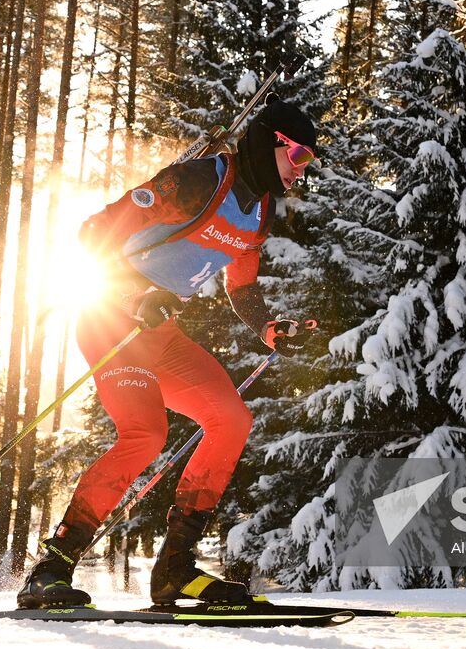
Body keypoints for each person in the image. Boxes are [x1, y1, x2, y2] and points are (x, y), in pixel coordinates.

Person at [18, 99, 320, 609]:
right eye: (301, 156)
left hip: (161, 332)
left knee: (231, 419)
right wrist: (134, 295)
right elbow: (96, 230)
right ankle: (51, 568)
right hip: (111, 319)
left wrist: (271, 329)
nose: (303, 170)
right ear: (271, 143)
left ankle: (175, 569)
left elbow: (241, 286)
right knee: (146, 433)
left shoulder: (261, 211)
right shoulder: (197, 182)